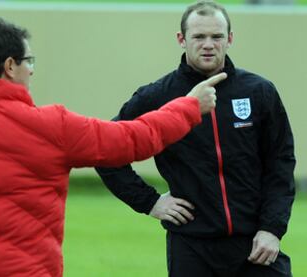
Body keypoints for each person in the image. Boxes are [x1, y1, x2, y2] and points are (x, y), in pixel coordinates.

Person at [0, 18, 226, 277]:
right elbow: (131, 139)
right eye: (29, 60)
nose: (32, 69)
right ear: (10, 66)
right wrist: (187, 107)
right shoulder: (54, 125)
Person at [96, 1, 295, 277]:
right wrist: (150, 202)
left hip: (256, 245)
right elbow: (107, 150)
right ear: (181, 39)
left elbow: (280, 164)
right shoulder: (157, 96)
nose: (208, 44)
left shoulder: (259, 91)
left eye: (217, 36)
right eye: (199, 37)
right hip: (192, 248)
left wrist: (271, 229)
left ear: (230, 39)